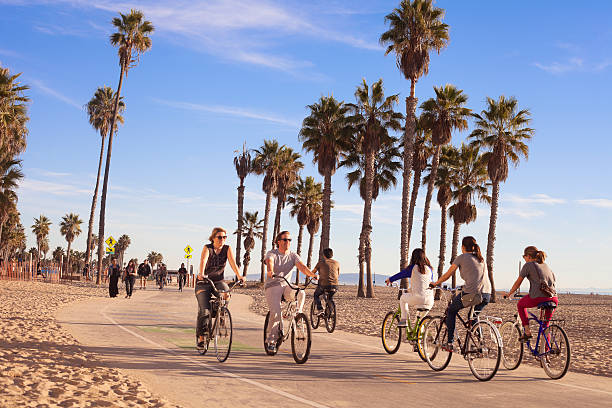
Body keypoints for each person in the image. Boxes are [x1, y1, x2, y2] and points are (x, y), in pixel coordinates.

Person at [429, 236, 487, 352]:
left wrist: (436, 283)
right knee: (474, 317)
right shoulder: (480, 258)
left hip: (472, 294)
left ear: (463, 247)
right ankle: (480, 343)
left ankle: (449, 342)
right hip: (486, 294)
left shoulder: (462, 257)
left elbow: (448, 274)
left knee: (451, 310)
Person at [264, 231, 316, 353]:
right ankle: (271, 341)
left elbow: (302, 267)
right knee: (276, 314)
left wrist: (312, 275)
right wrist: (270, 271)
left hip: (286, 285)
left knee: (301, 292)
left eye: (289, 240)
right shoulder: (272, 253)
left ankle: (298, 315)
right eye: (285, 240)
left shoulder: (293, 255)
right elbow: (269, 263)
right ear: (278, 242)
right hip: (273, 285)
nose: (288, 242)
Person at [196, 227, 245, 348]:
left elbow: (233, 262)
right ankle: (202, 337)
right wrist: (201, 274)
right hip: (204, 282)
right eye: (219, 237)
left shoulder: (227, 249)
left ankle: (221, 313)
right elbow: (203, 260)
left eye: (224, 237)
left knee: (226, 294)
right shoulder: (208, 248)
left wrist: (239, 276)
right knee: (205, 310)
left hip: (218, 281)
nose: (222, 239)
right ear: (213, 238)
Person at [504, 246, 558, 342]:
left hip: (539, 297)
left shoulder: (528, 265)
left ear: (528, 256)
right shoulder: (546, 265)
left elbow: (518, 282)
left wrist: (509, 293)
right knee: (545, 326)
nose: (524, 258)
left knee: (520, 304)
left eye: (524, 256)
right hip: (553, 298)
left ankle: (527, 332)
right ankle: (546, 353)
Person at [385, 248, 435, 327]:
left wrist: (390, 280)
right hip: (430, 300)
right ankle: (422, 337)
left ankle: (404, 320)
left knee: (402, 298)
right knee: (419, 322)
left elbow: (401, 274)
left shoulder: (412, 268)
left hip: (418, 298)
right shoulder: (429, 269)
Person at [311, 248, 340, 316]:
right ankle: (331, 311)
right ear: (332, 255)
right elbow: (338, 274)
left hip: (323, 285)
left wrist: (311, 276)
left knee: (316, 295)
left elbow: (313, 272)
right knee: (330, 297)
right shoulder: (337, 263)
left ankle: (320, 309)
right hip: (335, 285)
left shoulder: (320, 263)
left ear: (324, 255)